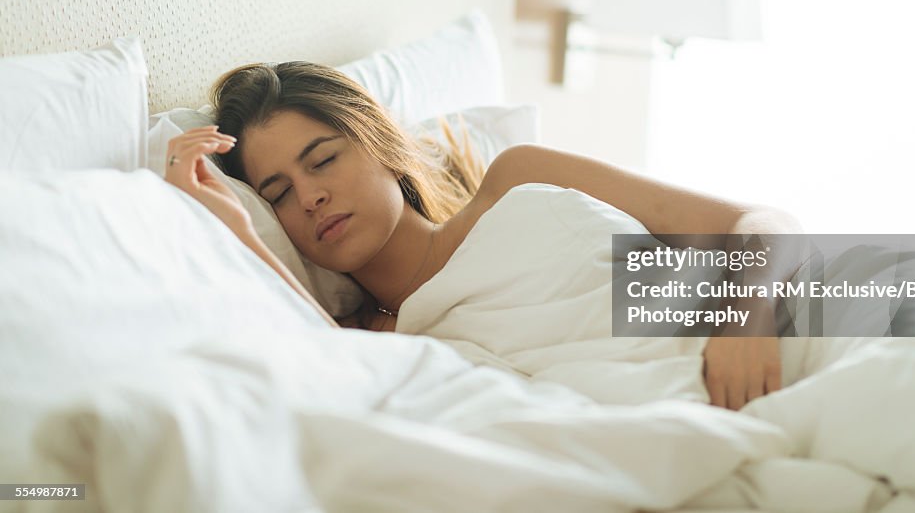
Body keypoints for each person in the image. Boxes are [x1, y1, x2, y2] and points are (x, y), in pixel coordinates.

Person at [163, 61, 804, 411]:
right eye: (277, 194)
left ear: (381, 145)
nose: (309, 198)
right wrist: (236, 227)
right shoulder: (371, 337)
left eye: (323, 159)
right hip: (694, 402)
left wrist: (747, 321)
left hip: (791, 323)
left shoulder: (516, 179)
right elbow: (334, 383)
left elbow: (759, 222)